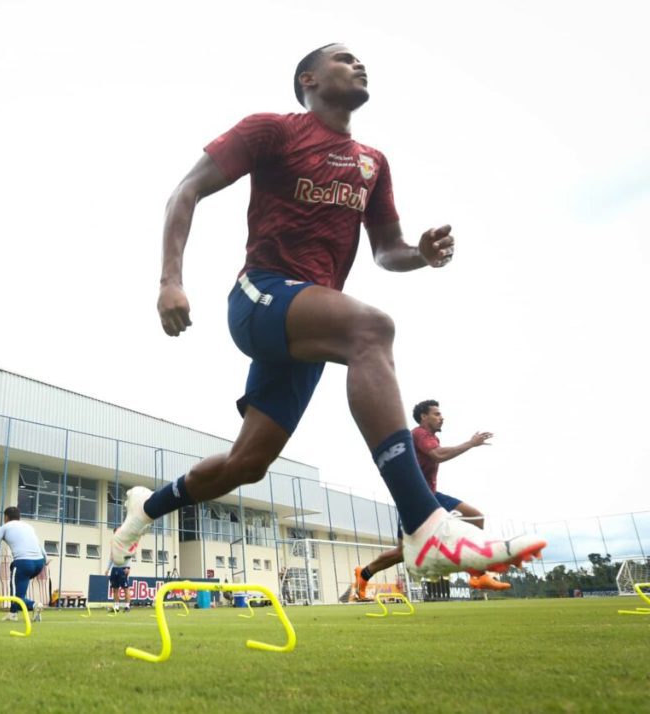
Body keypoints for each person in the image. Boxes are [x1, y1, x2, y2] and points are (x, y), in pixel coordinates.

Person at [111, 44, 545, 581]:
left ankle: (145, 510)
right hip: (261, 296)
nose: (360, 63)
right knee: (372, 329)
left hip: (310, 323)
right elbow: (187, 189)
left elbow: (388, 250)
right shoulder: (273, 130)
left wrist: (421, 256)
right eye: (345, 58)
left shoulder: (372, 163)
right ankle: (425, 525)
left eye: (362, 59)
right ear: (308, 79)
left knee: (247, 465)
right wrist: (170, 280)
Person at [355, 400, 511, 599]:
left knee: (475, 517)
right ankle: (364, 574)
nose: (441, 417)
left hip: (430, 495)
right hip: (413, 498)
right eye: (436, 414)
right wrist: (471, 443)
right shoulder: (420, 434)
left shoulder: (428, 437)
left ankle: (477, 575)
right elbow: (437, 455)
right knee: (402, 552)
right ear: (423, 417)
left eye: (440, 414)